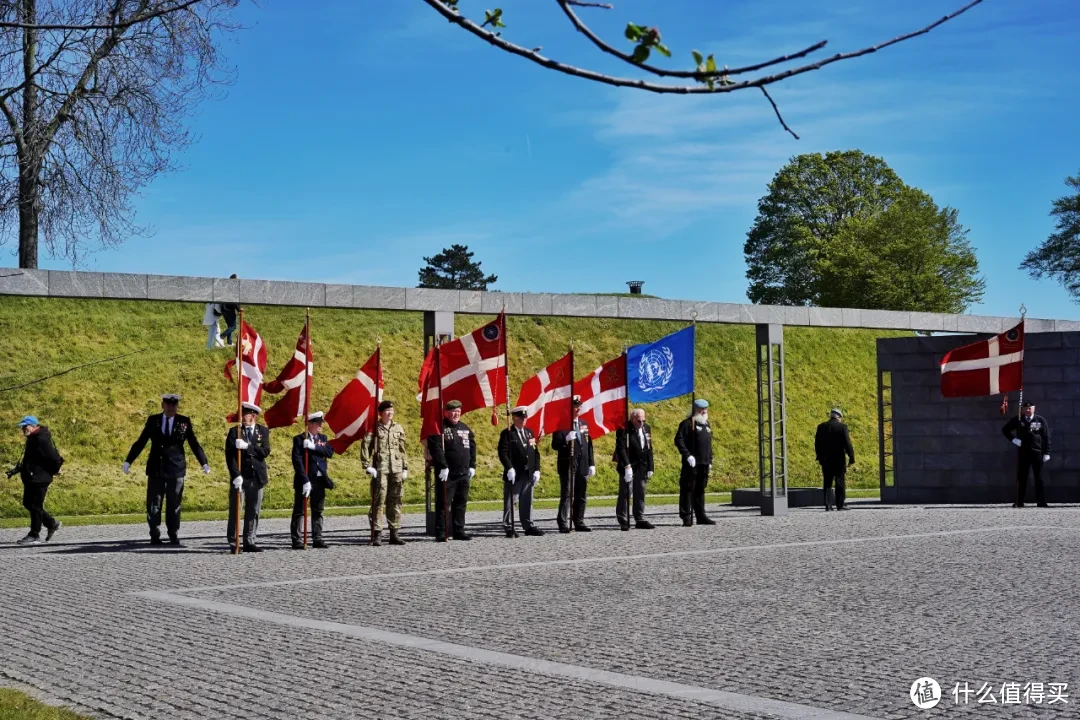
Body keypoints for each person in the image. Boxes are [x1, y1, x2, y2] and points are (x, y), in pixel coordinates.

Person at [123, 394, 210, 545]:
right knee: (154, 503)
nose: (171, 408)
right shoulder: (153, 420)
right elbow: (141, 441)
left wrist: (204, 463)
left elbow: (193, 443)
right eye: (168, 405)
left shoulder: (184, 421)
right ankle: (154, 533)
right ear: (162, 405)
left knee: (174, 502)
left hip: (176, 468)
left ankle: (173, 532)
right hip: (157, 467)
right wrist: (128, 461)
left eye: (174, 405)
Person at [7, 416, 64, 545]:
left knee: (35, 505)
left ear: (33, 425)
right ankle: (51, 523)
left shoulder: (41, 439)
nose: (22, 429)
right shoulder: (32, 438)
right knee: (28, 503)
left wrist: (56, 470)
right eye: (22, 426)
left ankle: (34, 534)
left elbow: (55, 458)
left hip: (40, 478)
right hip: (31, 477)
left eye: (25, 426)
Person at [361, 400, 409, 547]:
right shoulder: (374, 429)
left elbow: (403, 449)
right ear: (381, 413)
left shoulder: (398, 428)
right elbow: (365, 446)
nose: (390, 413)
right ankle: (377, 534)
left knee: (396, 501)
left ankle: (394, 533)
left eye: (392, 410)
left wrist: (405, 467)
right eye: (387, 410)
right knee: (378, 501)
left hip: (396, 469)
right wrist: (367, 465)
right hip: (381, 469)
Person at [427, 399, 475, 542]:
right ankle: (441, 532)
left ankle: (459, 530)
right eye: (453, 411)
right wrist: (443, 466)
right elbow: (436, 448)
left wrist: (473, 465)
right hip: (447, 473)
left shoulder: (465, 428)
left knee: (461, 503)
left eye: (458, 412)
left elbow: (472, 447)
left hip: (463, 473)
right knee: (444, 504)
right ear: (446, 412)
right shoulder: (439, 428)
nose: (456, 414)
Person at [226, 402, 271, 553]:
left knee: (254, 510)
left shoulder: (262, 431)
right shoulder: (235, 432)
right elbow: (230, 456)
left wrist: (247, 447)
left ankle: (249, 540)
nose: (242, 416)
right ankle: (234, 541)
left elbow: (265, 451)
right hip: (241, 476)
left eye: (246, 414)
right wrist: (235, 475)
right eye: (242, 413)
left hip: (257, 476)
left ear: (254, 416)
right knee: (236, 510)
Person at [291, 411, 335, 550]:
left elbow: (329, 452)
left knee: (318, 510)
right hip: (305, 480)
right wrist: (304, 480)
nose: (320, 425)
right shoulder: (299, 439)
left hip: (319, 479)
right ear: (309, 424)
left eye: (321, 423)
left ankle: (318, 537)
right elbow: (297, 461)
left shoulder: (322, 438)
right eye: (318, 423)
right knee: (299, 510)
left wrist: (313, 447)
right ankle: (297, 539)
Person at [551, 396, 594, 533]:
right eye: (575, 406)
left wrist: (591, 463)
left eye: (579, 406)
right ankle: (563, 522)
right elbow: (555, 445)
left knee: (582, 494)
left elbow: (589, 445)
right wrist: (566, 439)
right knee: (568, 494)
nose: (578, 408)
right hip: (568, 463)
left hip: (582, 463)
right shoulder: (561, 424)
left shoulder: (583, 424)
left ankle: (579, 520)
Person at [498, 406, 542, 538]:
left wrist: (537, 469)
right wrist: (509, 467)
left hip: (528, 472)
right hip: (515, 473)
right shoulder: (507, 433)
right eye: (520, 418)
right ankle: (509, 526)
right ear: (514, 418)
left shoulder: (529, 432)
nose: (523, 420)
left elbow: (535, 453)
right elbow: (503, 453)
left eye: (525, 418)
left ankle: (528, 525)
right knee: (511, 501)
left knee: (527, 501)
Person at [674, 398, 714, 527]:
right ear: (695, 409)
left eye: (705, 409)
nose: (704, 411)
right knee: (687, 489)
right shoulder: (687, 423)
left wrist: (710, 460)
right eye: (701, 409)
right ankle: (686, 516)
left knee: (700, 489)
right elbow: (679, 440)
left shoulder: (706, 424)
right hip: (691, 463)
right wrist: (688, 456)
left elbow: (708, 445)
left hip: (704, 463)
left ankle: (700, 515)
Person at [1003, 402, 1051, 508]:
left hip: (1037, 452)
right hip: (1023, 453)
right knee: (1022, 478)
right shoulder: (1018, 419)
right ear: (1023, 410)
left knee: (1039, 478)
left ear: (1034, 409)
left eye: (1029, 408)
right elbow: (1005, 430)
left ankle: (1041, 501)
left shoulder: (1040, 420)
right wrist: (1013, 439)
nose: (1027, 410)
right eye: (1025, 409)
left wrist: (1046, 452)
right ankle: (1019, 501)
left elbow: (1046, 436)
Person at [615, 408, 655, 531]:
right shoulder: (624, 429)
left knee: (640, 492)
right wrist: (627, 466)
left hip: (642, 467)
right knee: (626, 493)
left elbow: (649, 448)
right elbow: (620, 448)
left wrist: (650, 466)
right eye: (639, 420)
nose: (641, 423)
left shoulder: (646, 428)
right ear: (632, 419)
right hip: (629, 466)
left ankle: (639, 518)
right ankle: (623, 519)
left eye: (643, 420)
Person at [815, 408, 855, 511]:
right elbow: (847, 443)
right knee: (839, 481)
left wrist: (819, 457)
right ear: (838, 416)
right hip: (839, 459)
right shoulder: (842, 427)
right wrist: (851, 457)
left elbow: (817, 444)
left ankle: (828, 505)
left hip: (826, 459)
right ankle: (839, 505)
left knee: (827, 482)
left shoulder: (821, 427)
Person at [219, 274, 240, 346]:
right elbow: (235, 301)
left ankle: (229, 342)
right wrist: (239, 310)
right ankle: (221, 336)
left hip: (223, 309)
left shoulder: (225, 287)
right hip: (229, 309)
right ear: (234, 280)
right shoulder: (233, 289)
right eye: (237, 279)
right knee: (233, 326)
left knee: (230, 326)